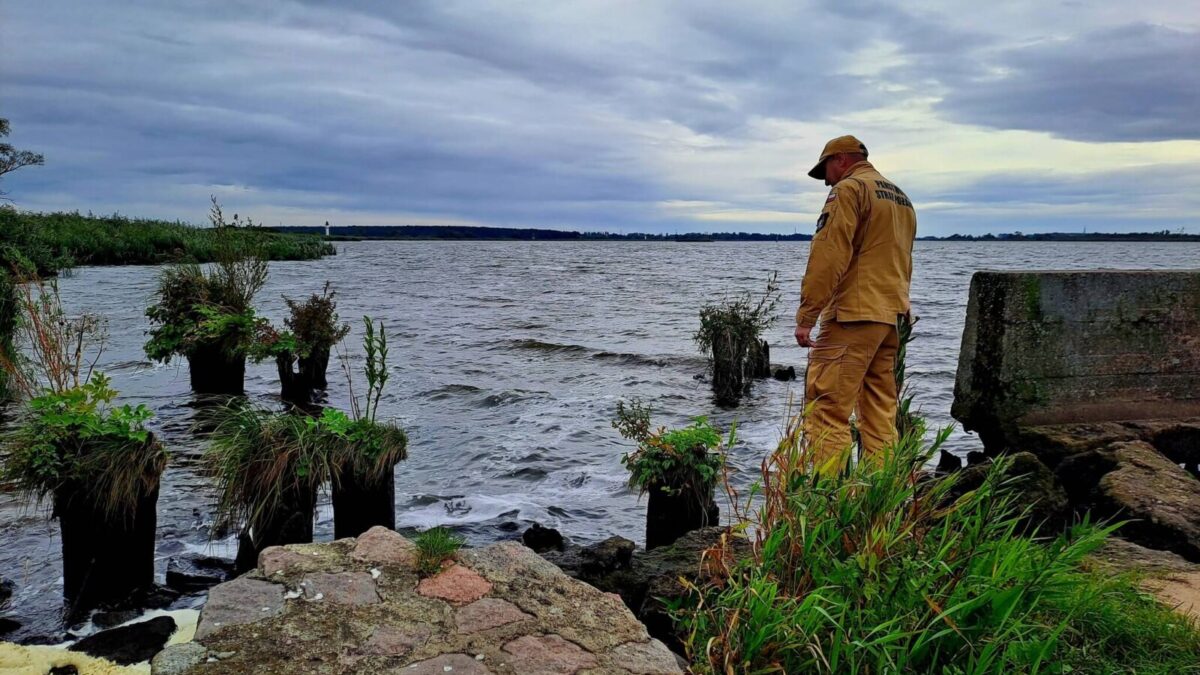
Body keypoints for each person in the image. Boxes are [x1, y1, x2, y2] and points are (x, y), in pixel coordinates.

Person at [793, 135, 917, 472]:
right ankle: (878, 503)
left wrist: (807, 316)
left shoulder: (848, 190)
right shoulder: (901, 198)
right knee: (879, 413)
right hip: (890, 317)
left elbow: (828, 255)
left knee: (825, 409)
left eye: (826, 170)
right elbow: (902, 259)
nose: (827, 180)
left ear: (842, 160)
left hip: (852, 315)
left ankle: (828, 504)